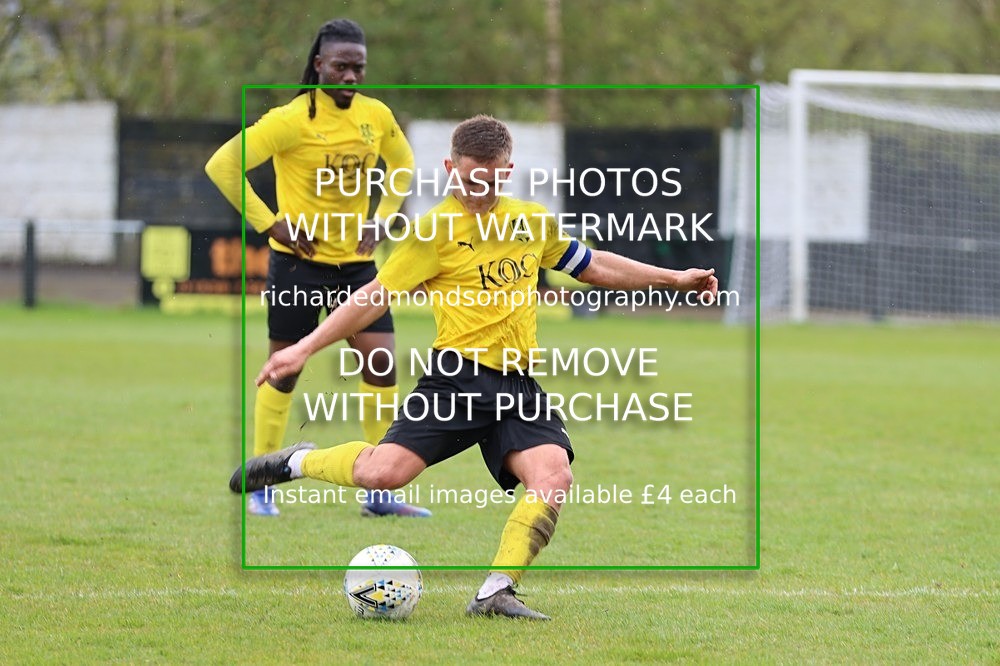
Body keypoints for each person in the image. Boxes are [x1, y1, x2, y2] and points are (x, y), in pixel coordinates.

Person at [229, 115, 719, 619]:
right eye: (469, 178)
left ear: (508, 172)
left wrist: (675, 278)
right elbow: (371, 298)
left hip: (517, 388)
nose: (480, 190)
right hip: (455, 381)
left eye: (492, 179)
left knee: (553, 476)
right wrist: (304, 348)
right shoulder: (431, 234)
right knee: (384, 475)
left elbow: (594, 265)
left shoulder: (532, 221)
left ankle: (495, 592)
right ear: (449, 168)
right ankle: (297, 461)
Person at [206, 18, 429, 518]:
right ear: (319, 66)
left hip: (357, 270)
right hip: (297, 267)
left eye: (359, 68)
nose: (351, 77)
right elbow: (223, 165)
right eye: (341, 67)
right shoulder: (290, 120)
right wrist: (271, 224)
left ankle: (379, 490)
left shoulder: (376, 115)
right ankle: (263, 483)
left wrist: (382, 217)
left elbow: (404, 163)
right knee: (284, 371)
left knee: (381, 366)